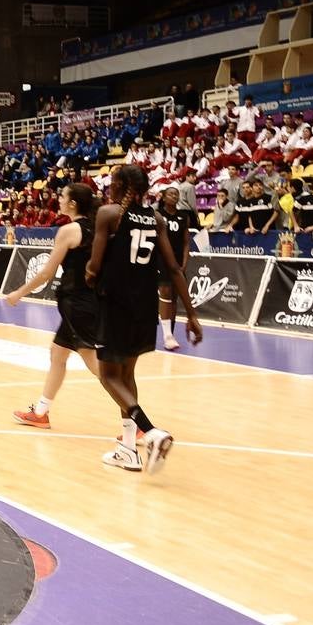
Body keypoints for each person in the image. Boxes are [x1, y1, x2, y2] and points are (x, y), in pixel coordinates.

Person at [85, 164, 202, 475]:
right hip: (144, 307)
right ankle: (127, 449)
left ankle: (150, 432)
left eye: (112, 182)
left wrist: (88, 275)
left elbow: (94, 267)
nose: (109, 187)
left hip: (116, 305)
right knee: (127, 375)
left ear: (121, 185)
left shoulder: (109, 214)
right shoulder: (157, 218)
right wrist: (190, 314)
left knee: (108, 376)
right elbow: (175, 268)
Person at [7, 184, 103, 429]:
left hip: (77, 303)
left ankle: (139, 421)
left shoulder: (69, 231)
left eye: (62, 196)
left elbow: (47, 273)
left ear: (72, 203)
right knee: (57, 354)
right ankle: (41, 412)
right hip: (88, 300)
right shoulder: (97, 228)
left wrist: (19, 292)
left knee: (97, 366)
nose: (58, 199)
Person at [156, 185, 196, 351]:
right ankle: (167, 335)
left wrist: (185, 262)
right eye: (171, 194)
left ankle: (169, 332)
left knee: (173, 298)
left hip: (178, 261)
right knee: (165, 291)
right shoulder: (158, 215)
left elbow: (187, 242)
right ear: (164, 197)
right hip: (161, 260)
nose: (174, 197)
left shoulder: (184, 216)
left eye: (176, 194)